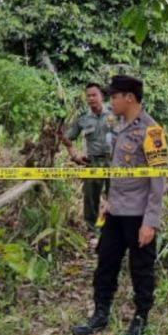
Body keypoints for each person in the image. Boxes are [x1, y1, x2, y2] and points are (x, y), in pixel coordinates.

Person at [72, 75, 166, 335]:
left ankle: (140, 319)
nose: (110, 101)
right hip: (115, 211)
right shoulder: (117, 127)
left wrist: (151, 221)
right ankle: (100, 313)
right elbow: (117, 170)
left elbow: (158, 181)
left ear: (130, 97)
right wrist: (107, 200)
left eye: (114, 96)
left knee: (141, 269)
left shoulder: (152, 131)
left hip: (138, 214)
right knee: (105, 264)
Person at [60, 82, 113, 236]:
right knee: (91, 197)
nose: (91, 98)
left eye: (94, 95)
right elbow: (67, 138)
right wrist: (74, 155)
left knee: (115, 195)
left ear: (101, 96)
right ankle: (92, 229)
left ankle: (111, 228)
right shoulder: (83, 118)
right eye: (88, 96)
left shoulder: (114, 112)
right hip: (93, 161)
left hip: (114, 160)